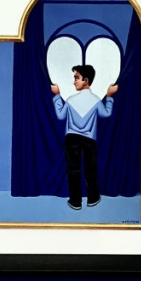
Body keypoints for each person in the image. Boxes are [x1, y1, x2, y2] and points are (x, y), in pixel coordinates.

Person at [50, 65, 118, 210]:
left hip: (72, 138)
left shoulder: (70, 100)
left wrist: (57, 96)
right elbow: (106, 114)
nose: (74, 82)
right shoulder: (96, 100)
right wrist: (109, 97)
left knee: (73, 170)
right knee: (90, 169)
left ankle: (75, 201)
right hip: (89, 139)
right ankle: (93, 198)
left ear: (86, 81)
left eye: (76, 78)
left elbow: (60, 115)